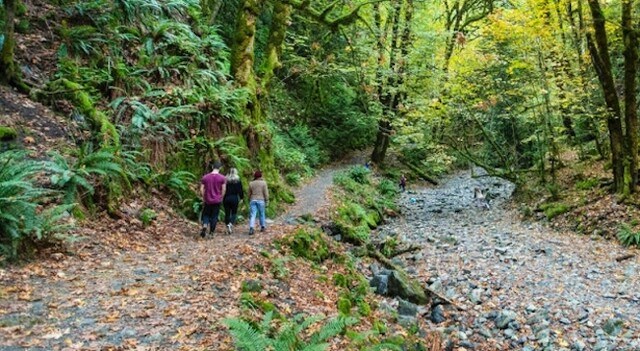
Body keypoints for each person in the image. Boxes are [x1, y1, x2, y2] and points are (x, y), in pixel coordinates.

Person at [200, 161, 226, 238]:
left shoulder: (205, 177)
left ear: (212, 167)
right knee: (214, 216)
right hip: (217, 200)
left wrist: (203, 197)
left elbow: (201, 189)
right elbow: (224, 189)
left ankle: (205, 225)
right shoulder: (222, 178)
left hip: (207, 200)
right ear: (220, 168)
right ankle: (211, 233)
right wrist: (221, 197)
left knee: (206, 214)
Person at [223, 168, 244, 235]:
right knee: (234, 212)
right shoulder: (238, 181)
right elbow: (240, 190)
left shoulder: (225, 180)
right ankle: (231, 224)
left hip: (226, 198)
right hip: (234, 198)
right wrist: (241, 198)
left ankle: (227, 226)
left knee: (227, 213)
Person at [248, 170, 269, 235]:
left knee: (253, 214)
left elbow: (249, 193)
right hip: (261, 200)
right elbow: (266, 193)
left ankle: (251, 228)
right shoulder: (264, 183)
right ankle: (262, 226)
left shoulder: (251, 183)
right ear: (261, 176)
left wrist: (249, 199)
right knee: (262, 214)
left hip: (253, 200)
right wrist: (267, 200)